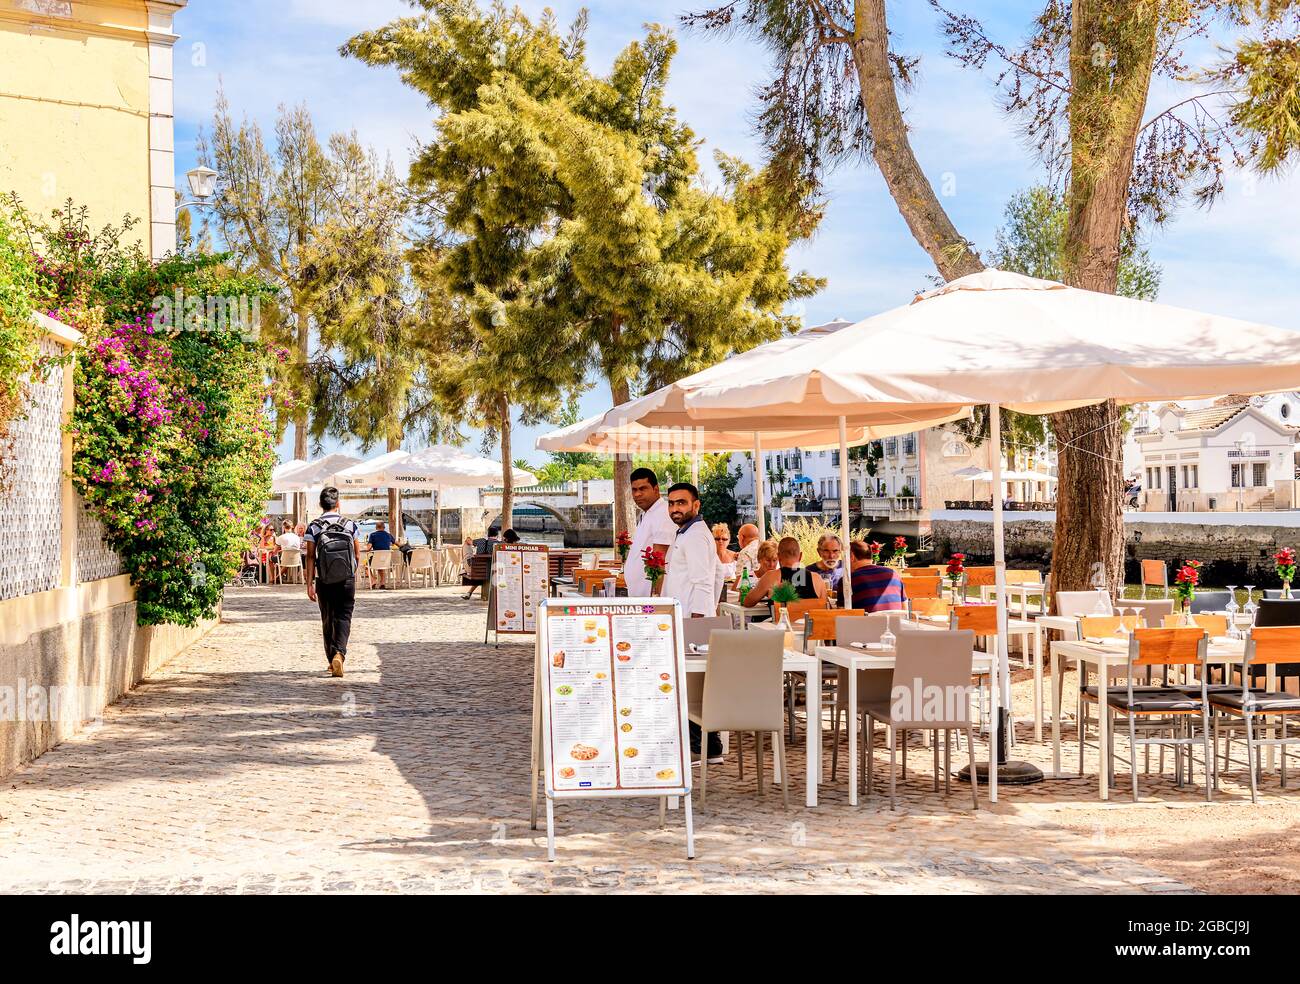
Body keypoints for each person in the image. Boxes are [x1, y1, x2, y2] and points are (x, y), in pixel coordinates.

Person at [661, 482, 723, 763]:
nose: (675, 508)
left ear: (696, 505)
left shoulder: (696, 536)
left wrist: (698, 623)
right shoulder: (687, 533)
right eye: (672, 503)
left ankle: (702, 748)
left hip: (690, 621)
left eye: (681, 503)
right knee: (693, 683)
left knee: (693, 684)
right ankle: (707, 746)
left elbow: (703, 583)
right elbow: (718, 573)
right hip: (686, 617)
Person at [303, 487, 360, 678]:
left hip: (324, 580)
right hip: (346, 580)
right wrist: (351, 574)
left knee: (327, 619)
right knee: (344, 617)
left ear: (320, 504)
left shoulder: (314, 526)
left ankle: (331, 660)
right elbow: (357, 554)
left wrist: (309, 583)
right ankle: (339, 654)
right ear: (338, 504)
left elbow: (310, 556)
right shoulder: (350, 525)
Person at [624, 468, 676, 598]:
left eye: (643, 489)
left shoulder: (662, 513)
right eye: (634, 490)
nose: (637, 494)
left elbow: (659, 560)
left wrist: (655, 598)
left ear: (656, 489)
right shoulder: (648, 513)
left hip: (652, 602)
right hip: (641, 599)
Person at [742, 536, 826, 610]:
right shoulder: (817, 579)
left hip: (781, 626)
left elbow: (747, 602)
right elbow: (825, 608)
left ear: (778, 556)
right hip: (809, 626)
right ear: (800, 556)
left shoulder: (771, 577)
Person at [847, 540, 908, 612]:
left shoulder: (848, 580)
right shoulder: (894, 574)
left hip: (866, 622)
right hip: (896, 622)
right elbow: (905, 608)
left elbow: (842, 611)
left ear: (851, 557)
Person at [806, 533, 845, 607]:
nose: (831, 556)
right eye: (826, 551)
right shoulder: (808, 572)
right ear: (819, 552)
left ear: (840, 551)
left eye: (835, 551)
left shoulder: (847, 568)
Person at [463, 526, 500, 599]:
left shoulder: (480, 541)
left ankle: (469, 593)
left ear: (488, 534)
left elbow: (468, 541)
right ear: (497, 535)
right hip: (492, 571)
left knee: (483, 574)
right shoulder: (498, 544)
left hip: (479, 571)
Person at [367, 521, 397, 589]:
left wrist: (368, 544)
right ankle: (382, 583)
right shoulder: (388, 535)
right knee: (381, 565)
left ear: (376, 527)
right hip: (386, 560)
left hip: (376, 559)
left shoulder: (372, 535)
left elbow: (368, 548)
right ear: (384, 527)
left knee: (366, 566)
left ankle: (373, 580)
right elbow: (398, 543)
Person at [712, 523, 736, 604]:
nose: (721, 541)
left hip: (732, 594)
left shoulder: (735, 556)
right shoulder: (708, 556)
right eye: (717, 539)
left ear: (729, 540)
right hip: (713, 593)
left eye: (724, 539)